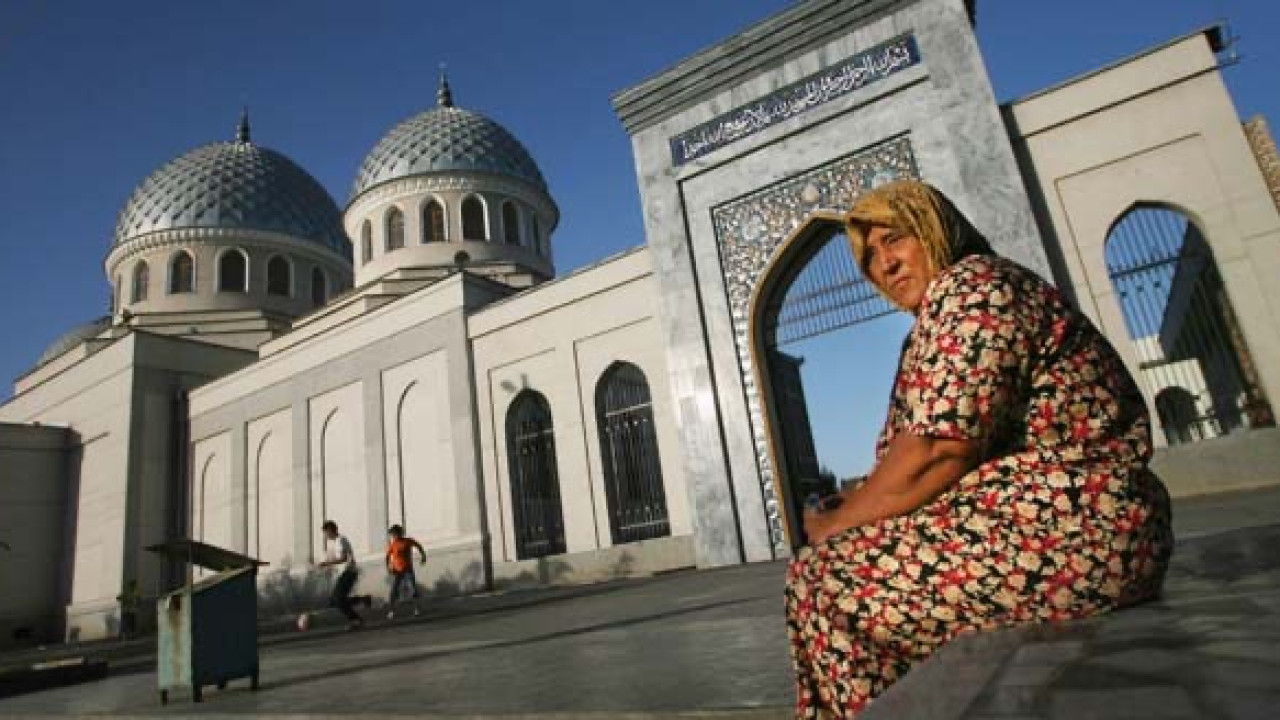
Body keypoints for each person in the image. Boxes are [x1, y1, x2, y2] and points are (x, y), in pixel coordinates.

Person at [785, 180, 1173, 718]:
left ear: (934, 228)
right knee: (824, 572)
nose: (885, 265)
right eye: (870, 258)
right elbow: (912, 454)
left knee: (827, 580)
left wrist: (839, 523)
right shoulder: (934, 322)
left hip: (1084, 526)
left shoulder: (975, 287)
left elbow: (939, 451)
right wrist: (853, 505)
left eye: (895, 239)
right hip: (1028, 527)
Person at [318, 520, 373, 630]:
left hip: (349, 572)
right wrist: (323, 564)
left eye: (326, 533)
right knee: (334, 600)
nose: (325, 535)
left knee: (338, 600)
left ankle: (356, 620)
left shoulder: (341, 540)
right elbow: (331, 557)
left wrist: (327, 563)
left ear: (331, 530)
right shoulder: (332, 543)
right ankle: (363, 600)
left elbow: (343, 558)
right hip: (342, 573)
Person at [384, 524, 427, 619]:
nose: (394, 536)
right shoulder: (393, 544)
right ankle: (391, 611)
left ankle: (416, 609)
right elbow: (387, 556)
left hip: (408, 569)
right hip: (397, 571)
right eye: (392, 535)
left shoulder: (408, 541)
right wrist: (388, 567)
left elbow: (418, 546)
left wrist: (423, 556)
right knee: (394, 591)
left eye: (395, 534)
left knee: (413, 589)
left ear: (400, 533)